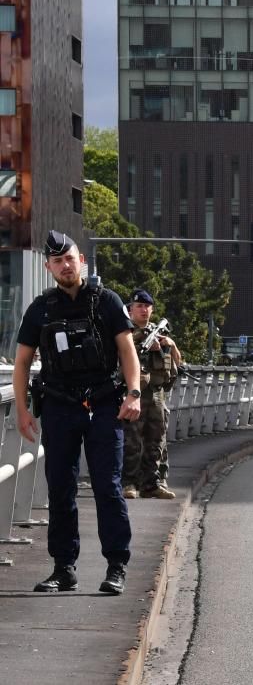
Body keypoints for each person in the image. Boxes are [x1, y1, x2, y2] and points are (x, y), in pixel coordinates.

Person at [12, 231, 142, 595]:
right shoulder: (41, 308)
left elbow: (127, 352)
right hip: (58, 406)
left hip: (104, 404)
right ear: (48, 266)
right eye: (57, 261)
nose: (65, 266)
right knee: (61, 489)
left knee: (107, 487)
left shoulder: (107, 301)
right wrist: (22, 411)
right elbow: (22, 363)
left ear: (81, 259)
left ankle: (116, 565)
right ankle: (63, 569)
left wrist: (134, 394)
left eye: (70, 258)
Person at [122, 289, 182, 500]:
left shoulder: (159, 333)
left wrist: (170, 345)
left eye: (147, 306)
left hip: (156, 393)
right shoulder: (124, 332)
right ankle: (129, 482)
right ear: (130, 309)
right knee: (131, 440)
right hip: (133, 393)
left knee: (157, 440)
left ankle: (153, 483)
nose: (144, 310)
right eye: (139, 306)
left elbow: (177, 364)